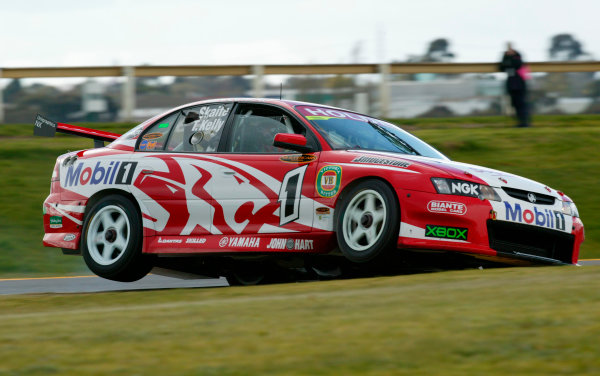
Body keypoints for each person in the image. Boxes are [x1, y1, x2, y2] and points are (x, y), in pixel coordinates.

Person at [499, 42, 530, 127]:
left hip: (519, 84)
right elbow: (502, 67)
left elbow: (518, 65)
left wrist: (512, 56)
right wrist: (506, 56)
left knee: (521, 103)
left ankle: (524, 122)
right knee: (515, 103)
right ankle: (521, 122)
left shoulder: (517, 57)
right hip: (512, 84)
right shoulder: (507, 58)